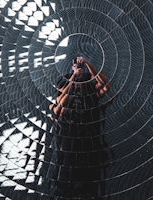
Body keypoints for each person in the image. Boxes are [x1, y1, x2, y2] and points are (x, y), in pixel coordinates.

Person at [47, 57, 114, 198]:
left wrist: (88, 63)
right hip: (68, 127)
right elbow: (60, 100)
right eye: (77, 65)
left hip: (88, 127)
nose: (79, 67)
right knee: (68, 161)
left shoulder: (89, 81)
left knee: (89, 164)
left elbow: (105, 85)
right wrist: (74, 76)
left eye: (81, 65)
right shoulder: (66, 79)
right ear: (72, 66)